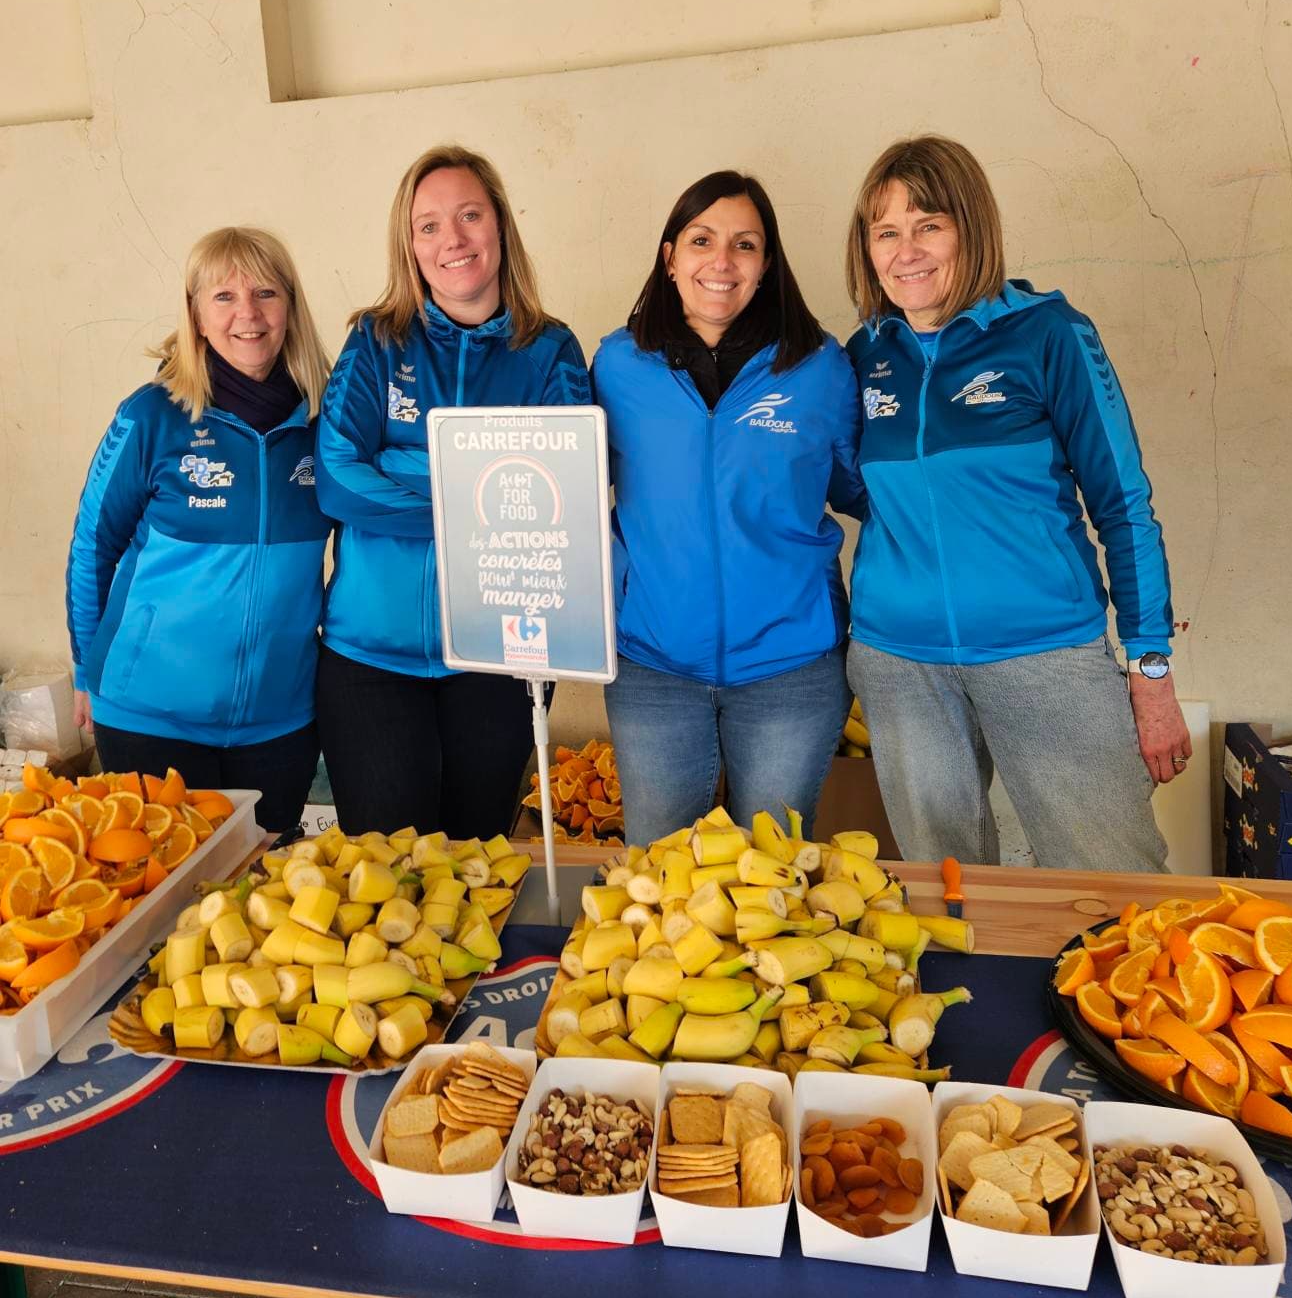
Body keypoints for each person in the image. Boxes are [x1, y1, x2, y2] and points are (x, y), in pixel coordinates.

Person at [842, 135, 1188, 872]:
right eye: (886, 231)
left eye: (928, 224)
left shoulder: (1048, 334)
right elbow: (850, 487)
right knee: (944, 892)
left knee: (1113, 880)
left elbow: (1122, 504)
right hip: (900, 663)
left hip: (1044, 653)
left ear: (971, 226)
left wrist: (1149, 667)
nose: (907, 250)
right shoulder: (864, 353)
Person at [315, 145, 589, 837]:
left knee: (477, 871)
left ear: (499, 225)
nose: (452, 239)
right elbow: (340, 478)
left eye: (469, 215)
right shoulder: (377, 341)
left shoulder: (550, 349)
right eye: (429, 225)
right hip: (371, 659)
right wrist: (483, 505)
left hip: (504, 657)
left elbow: (570, 493)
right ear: (408, 244)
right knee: (384, 880)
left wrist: (402, 464)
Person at [592, 170, 864, 846]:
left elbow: (863, 491)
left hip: (789, 670)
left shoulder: (820, 368)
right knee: (657, 882)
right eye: (701, 240)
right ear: (669, 257)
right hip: (652, 667)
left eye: (744, 244)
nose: (721, 261)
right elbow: (565, 486)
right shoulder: (617, 366)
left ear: (767, 263)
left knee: (770, 880)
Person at [67, 227, 331, 831]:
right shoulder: (152, 416)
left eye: (266, 293)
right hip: (148, 717)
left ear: (290, 306)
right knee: (160, 903)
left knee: (258, 904)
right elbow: (93, 547)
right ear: (196, 315)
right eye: (223, 297)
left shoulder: (323, 422)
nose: (248, 314)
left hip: (280, 721)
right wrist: (86, 666)